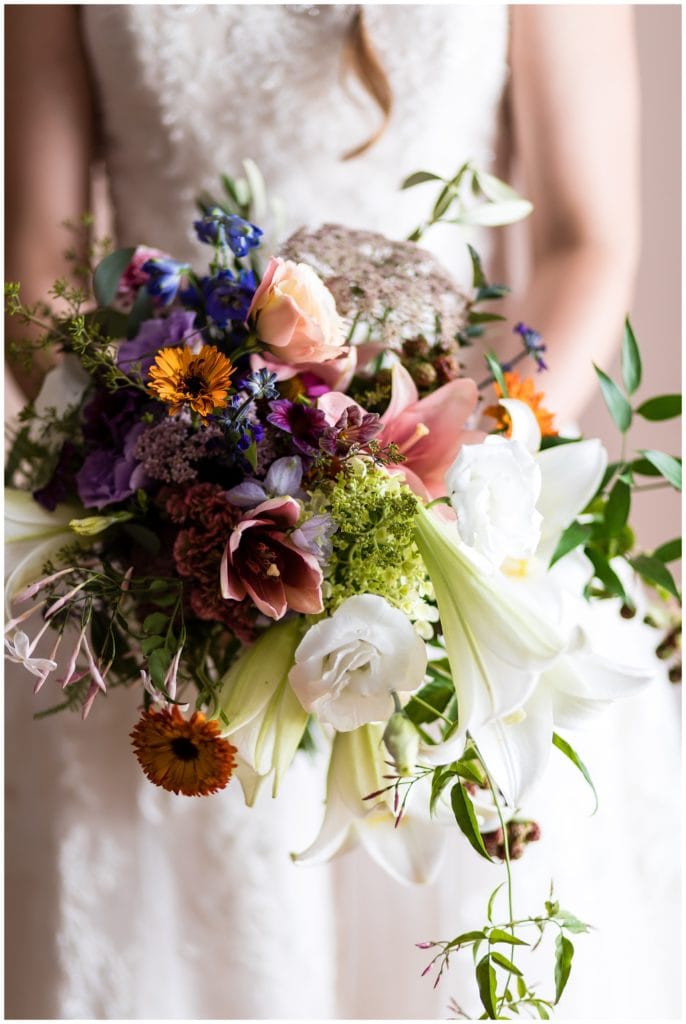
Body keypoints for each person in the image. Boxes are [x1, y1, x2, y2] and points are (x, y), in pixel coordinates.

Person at [4, 5, 679, 1019]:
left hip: (447, 482)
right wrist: (166, 459)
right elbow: (40, 273)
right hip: (168, 525)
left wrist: (457, 461)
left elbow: (587, 240)